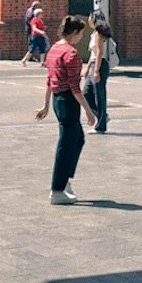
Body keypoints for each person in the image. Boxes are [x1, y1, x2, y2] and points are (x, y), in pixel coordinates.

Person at [36, 15, 96, 203]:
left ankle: (65, 181)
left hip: (57, 98)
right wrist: (88, 110)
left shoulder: (54, 49)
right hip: (68, 100)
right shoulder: (70, 54)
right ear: (75, 33)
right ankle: (57, 189)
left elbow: (49, 80)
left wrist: (46, 104)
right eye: (81, 34)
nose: (81, 38)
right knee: (66, 143)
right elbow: (74, 87)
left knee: (77, 139)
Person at [83, 13, 115, 134]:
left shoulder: (99, 34)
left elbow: (100, 53)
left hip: (100, 66)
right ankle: (103, 117)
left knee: (99, 96)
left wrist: (96, 71)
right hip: (96, 65)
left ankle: (101, 126)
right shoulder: (95, 34)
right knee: (86, 93)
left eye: (90, 18)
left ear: (94, 19)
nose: (89, 20)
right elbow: (93, 55)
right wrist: (87, 68)